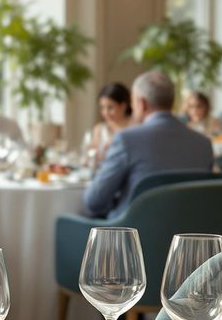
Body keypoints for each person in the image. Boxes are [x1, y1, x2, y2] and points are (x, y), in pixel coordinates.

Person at [82, 70, 214, 218]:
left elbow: (94, 201)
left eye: (133, 101)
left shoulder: (126, 140)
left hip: (132, 236)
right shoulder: (204, 144)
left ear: (142, 104)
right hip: (187, 234)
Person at [85, 82, 134, 165]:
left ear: (123, 106)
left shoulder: (135, 127)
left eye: (110, 108)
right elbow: (90, 160)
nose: (105, 112)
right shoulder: (99, 129)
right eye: (102, 107)